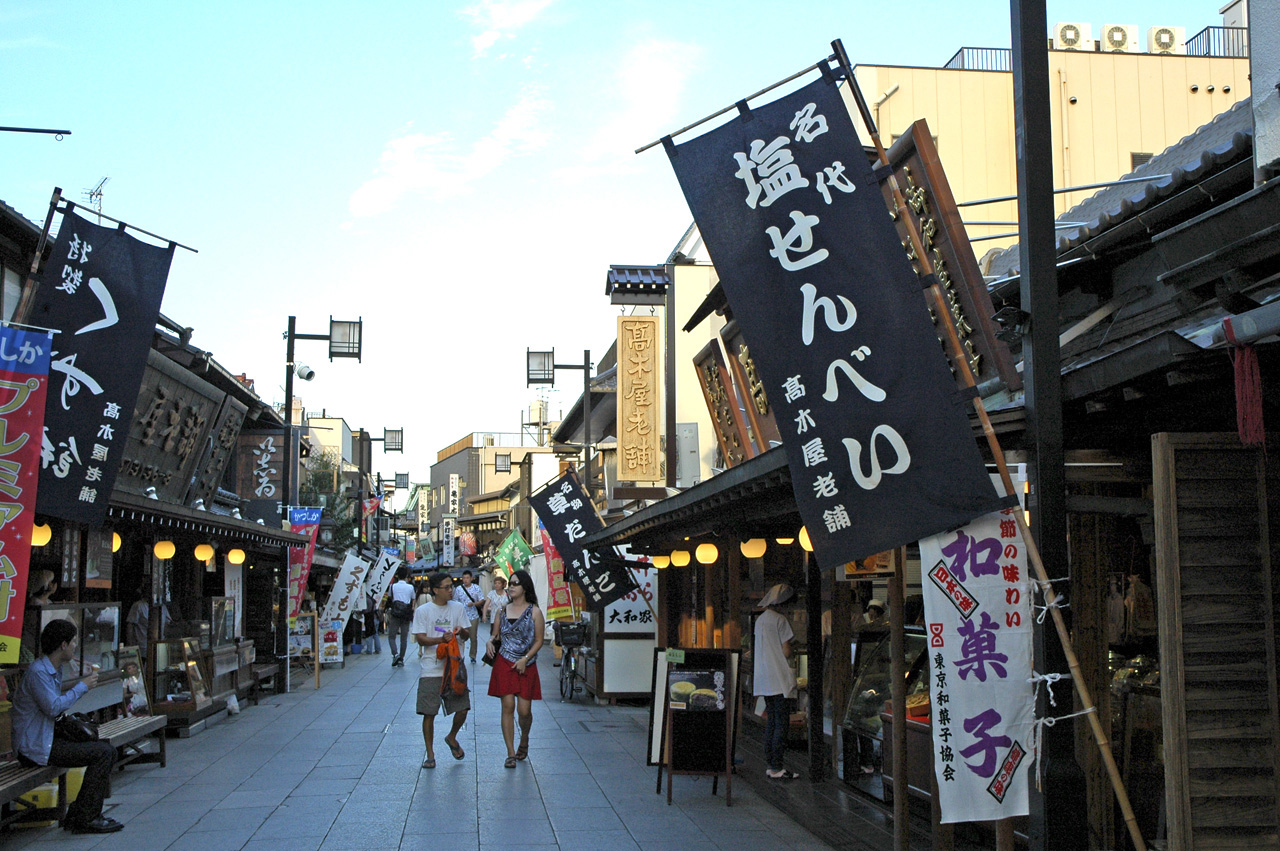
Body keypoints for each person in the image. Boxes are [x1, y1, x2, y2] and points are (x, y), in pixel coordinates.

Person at [12, 619, 122, 834]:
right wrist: (82, 687)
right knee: (103, 753)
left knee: (101, 748)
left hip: (46, 739)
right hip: (34, 748)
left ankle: (80, 815)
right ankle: (86, 818)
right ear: (63, 645)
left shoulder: (52, 669)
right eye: (73, 642)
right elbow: (52, 707)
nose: (75, 646)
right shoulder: (39, 672)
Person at [411, 572, 471, 769]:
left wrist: (461, 632)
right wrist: (440, 640)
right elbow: (420, 637)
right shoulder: (423, 611)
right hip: (431, 668)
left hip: (454, 667)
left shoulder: (458, 608)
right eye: (446, 587)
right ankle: (430, 754)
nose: (450, 590)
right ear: (435, 590)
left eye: (451, 586)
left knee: (463, 708)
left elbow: (467, 633)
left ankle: (452, 736)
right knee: (429, 713)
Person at [486, 568, 544, 768]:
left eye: (515, 583)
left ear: (525, 587)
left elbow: (539, 640)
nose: (511, 587)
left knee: (524, 710)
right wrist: (490, 641)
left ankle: (524, 738)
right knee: (508, 705)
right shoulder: (502, 611)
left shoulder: (535, 612)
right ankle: (510, 752)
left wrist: (525, 658)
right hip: (504, 661)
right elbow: (496, 635)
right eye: (510, 583)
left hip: (526, 663)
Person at [753, 583, 799, 780]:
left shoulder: (760, 620)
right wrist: (794, 650)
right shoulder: (780, 620)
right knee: (781, 722)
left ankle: (771, 764)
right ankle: (777, 766)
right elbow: (786, 650)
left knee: (771, 721)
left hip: (764, 678)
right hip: (779, 677)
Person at [19, 570, 57, 665]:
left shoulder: (47, 602)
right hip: (32, 646)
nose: (53, 585)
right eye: (50, 582)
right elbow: (42, 628)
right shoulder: (36, 604)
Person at [125, 580, 170, 659]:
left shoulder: (162, 606)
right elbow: (130, 625)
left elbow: (167, 623)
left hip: (160, 646)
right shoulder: (138, 606)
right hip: (142, 646)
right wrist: (130, 646)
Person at [385, 568, 415, 667]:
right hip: (405, 614)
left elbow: (390, 598)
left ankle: (395, 654)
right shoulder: (410, 587)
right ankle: (401, 658)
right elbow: (412, 600)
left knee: (391, 636)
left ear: (397, 576)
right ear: (406, 575)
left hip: (395, 613)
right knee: (404, 638)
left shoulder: (392, 586)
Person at [452, 570, 483, 662]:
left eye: (467, 578)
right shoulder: (458, 589)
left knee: (473, 637)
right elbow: (455, 601)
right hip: (461, 616)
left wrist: (473, 603)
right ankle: (460, 654)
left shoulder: (476, 588)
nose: (465, 580)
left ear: (471, 578)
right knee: (461, 636)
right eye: (464, 578)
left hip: (473, 615)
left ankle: (472, 655)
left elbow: (482, 600)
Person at [362, 590, 382, 655]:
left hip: (370, 619)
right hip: (376, 618)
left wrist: (360, 612)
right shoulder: (372, 599)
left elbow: (366, 611)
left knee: (369, 634)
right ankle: (378, 649)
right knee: (375, 634)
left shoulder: (367, 600)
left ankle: (369, 650)